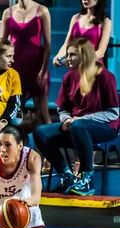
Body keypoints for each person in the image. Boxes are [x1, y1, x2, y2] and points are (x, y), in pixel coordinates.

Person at [34, 38, 119, 196]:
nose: (67, 58)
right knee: (41, 132)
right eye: (67, 54)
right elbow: (63, 108)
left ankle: (88, 181)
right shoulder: (69, 77)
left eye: (72, 55)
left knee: (79, 126)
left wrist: (81, 120)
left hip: (105, 128)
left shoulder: (106, 76)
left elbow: (113, 113)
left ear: (84, 56)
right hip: (75, 127)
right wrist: (66, 119)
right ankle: (67, 175)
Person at [1, 0, 51, 125]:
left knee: (43, 113)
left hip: (36, 66)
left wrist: (44, 70)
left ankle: (50, 143)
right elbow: (2, 44)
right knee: (15, 112)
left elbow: (48, 45)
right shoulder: (8, 13)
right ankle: (19, 142)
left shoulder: (42, 11)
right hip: (15, 67)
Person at [53, 0, 111, 67]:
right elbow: (67, 44)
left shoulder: (105, 22)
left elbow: (101, 52)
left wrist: (78, 60)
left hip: (93, 65)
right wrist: (58, 56)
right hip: (75, 65)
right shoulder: (75, 18)